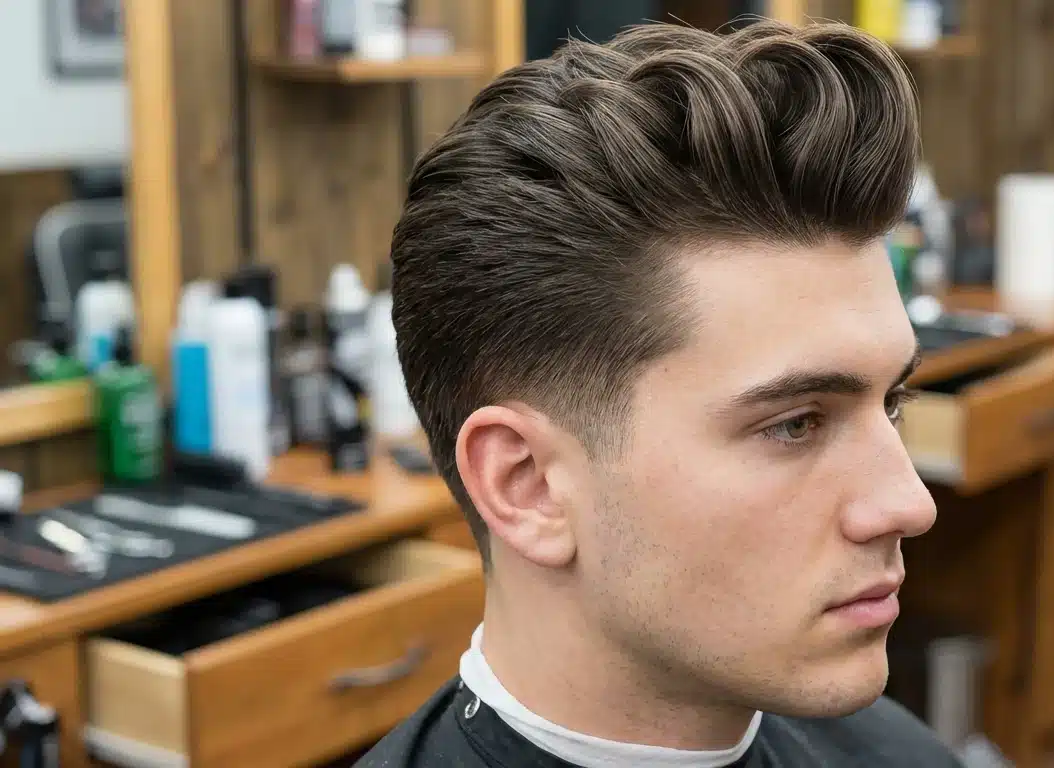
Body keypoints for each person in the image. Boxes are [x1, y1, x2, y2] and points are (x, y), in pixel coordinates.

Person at [358, 16, 959, 768]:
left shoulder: (905, 754)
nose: (910, 504)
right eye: (796, 424)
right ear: (528, 484)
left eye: (892, 401)